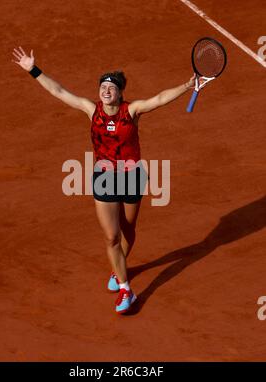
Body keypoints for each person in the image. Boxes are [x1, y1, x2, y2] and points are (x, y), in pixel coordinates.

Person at [12, 46, 195, 314]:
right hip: (105, 178)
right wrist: (33, 70)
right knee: (112, 237)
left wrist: (186, 86)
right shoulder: (90, 109)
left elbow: (159, 98)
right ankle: (125, 288)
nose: (106, 90)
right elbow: (59, 91)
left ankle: (117, 268)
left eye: (111, 87)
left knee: (128, 231)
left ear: (121, 93)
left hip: (132, 177)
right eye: (103, 86)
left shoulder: (132, 110)